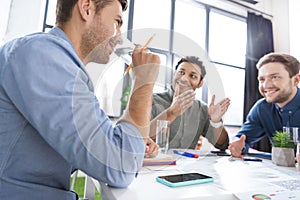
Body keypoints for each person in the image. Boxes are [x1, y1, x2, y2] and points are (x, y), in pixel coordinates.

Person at [0, 0, 160, 199]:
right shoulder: (43, 56)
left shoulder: (56, 62)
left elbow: (92, 148)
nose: (119, 37)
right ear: (86, 8)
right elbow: (120, 166)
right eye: (117, 21)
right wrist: (144, 81)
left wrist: (130, 147)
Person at [150, 56, 230, 150]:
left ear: (200, 83)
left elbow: (222, 144)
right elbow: (137, 138)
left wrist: (216, 122)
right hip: (155, 163)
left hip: (188, 163)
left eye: (193, 76)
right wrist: (171, 112)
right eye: (181, 72)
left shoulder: (202, 109)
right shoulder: (152, 101)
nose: (184, 78)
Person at [229, 53, 300, 158]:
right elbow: (243, 138)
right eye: (262, 79)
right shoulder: (262, 108)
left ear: (296, 80)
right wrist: (237, 145)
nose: (266, 85)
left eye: (275, 77)